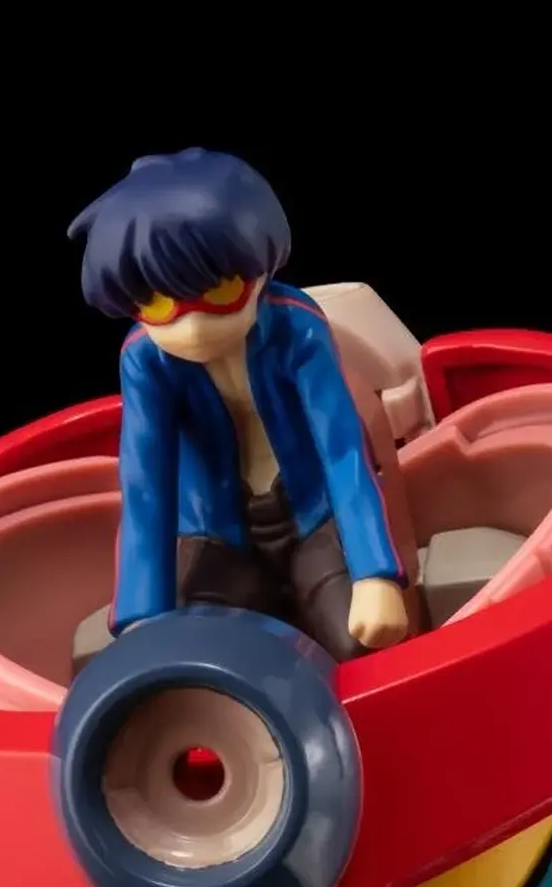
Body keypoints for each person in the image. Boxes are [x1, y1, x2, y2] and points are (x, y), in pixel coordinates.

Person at [69, 150, 411, 659]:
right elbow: (146, 483)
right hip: (216, 533)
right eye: (158, 304)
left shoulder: (299, 329)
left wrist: (374, 572)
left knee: (360, 642)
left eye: (220, 292)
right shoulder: (145, 359)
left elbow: (342, 450)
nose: (192, 327)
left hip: (313, 519)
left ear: (260, 270)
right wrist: (143, 612)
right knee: (197, 661)